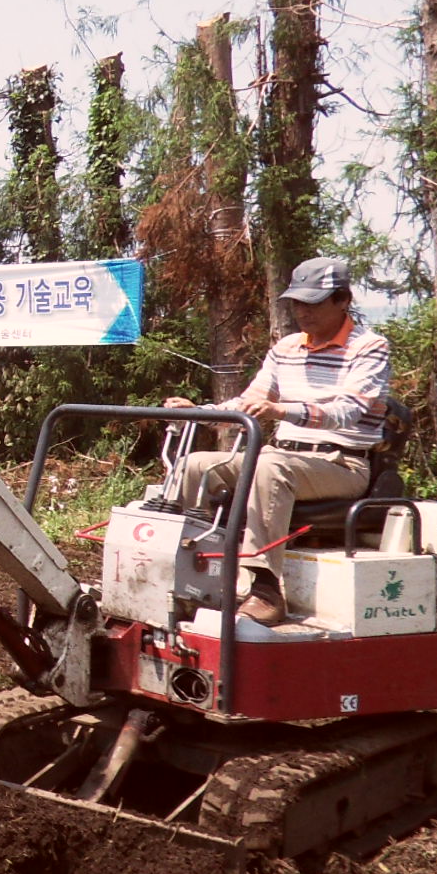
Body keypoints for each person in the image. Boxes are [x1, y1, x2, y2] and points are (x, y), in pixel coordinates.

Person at [163, 256, 392, 626]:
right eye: (298, 302)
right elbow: (250, 400)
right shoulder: (285, 348)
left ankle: (265, 587)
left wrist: (280, 411)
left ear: (343, 300)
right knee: (196, 466)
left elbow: (348, 410)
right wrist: (200, 409)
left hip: (341, 463)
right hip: (282, 456)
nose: (303, 311)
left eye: (314, 302)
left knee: (269, 467)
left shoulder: (369, 347)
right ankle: (189, 572)